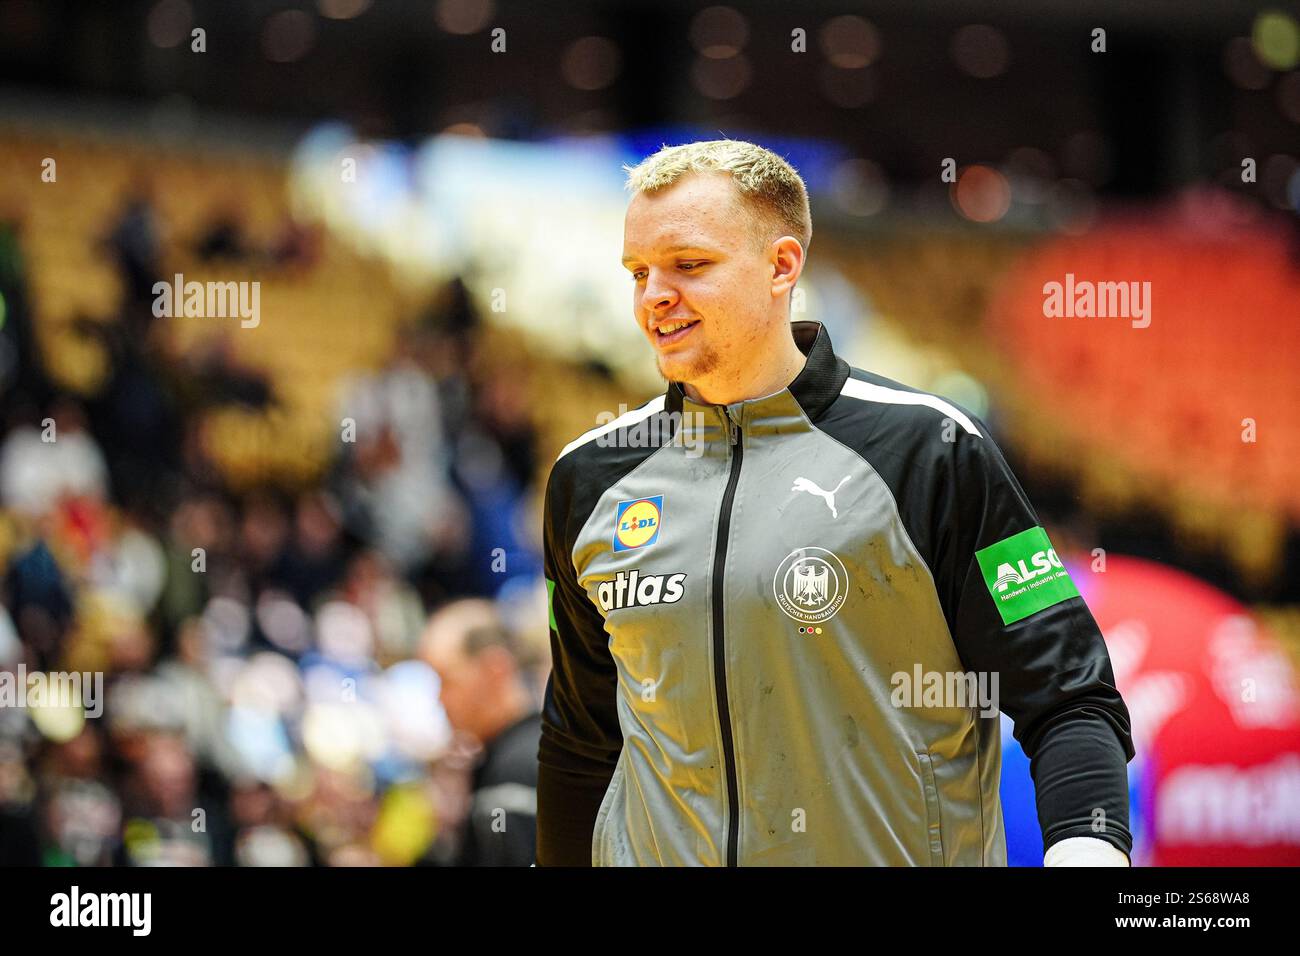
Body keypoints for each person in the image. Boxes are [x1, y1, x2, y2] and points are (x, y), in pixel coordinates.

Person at [536, 139, 1135, 866]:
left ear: (782, 266)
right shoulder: (589, 479)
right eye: (638, 271)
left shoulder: (933, 449)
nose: (653, 295)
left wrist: (1090, 847)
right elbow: (581, 736)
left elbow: (1069, 693)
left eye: (689, 264)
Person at [421, 599, 540, 866]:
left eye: (446, 680)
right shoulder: (528, 754)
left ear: (493, 669)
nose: (440, 699)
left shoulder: (515, 772)